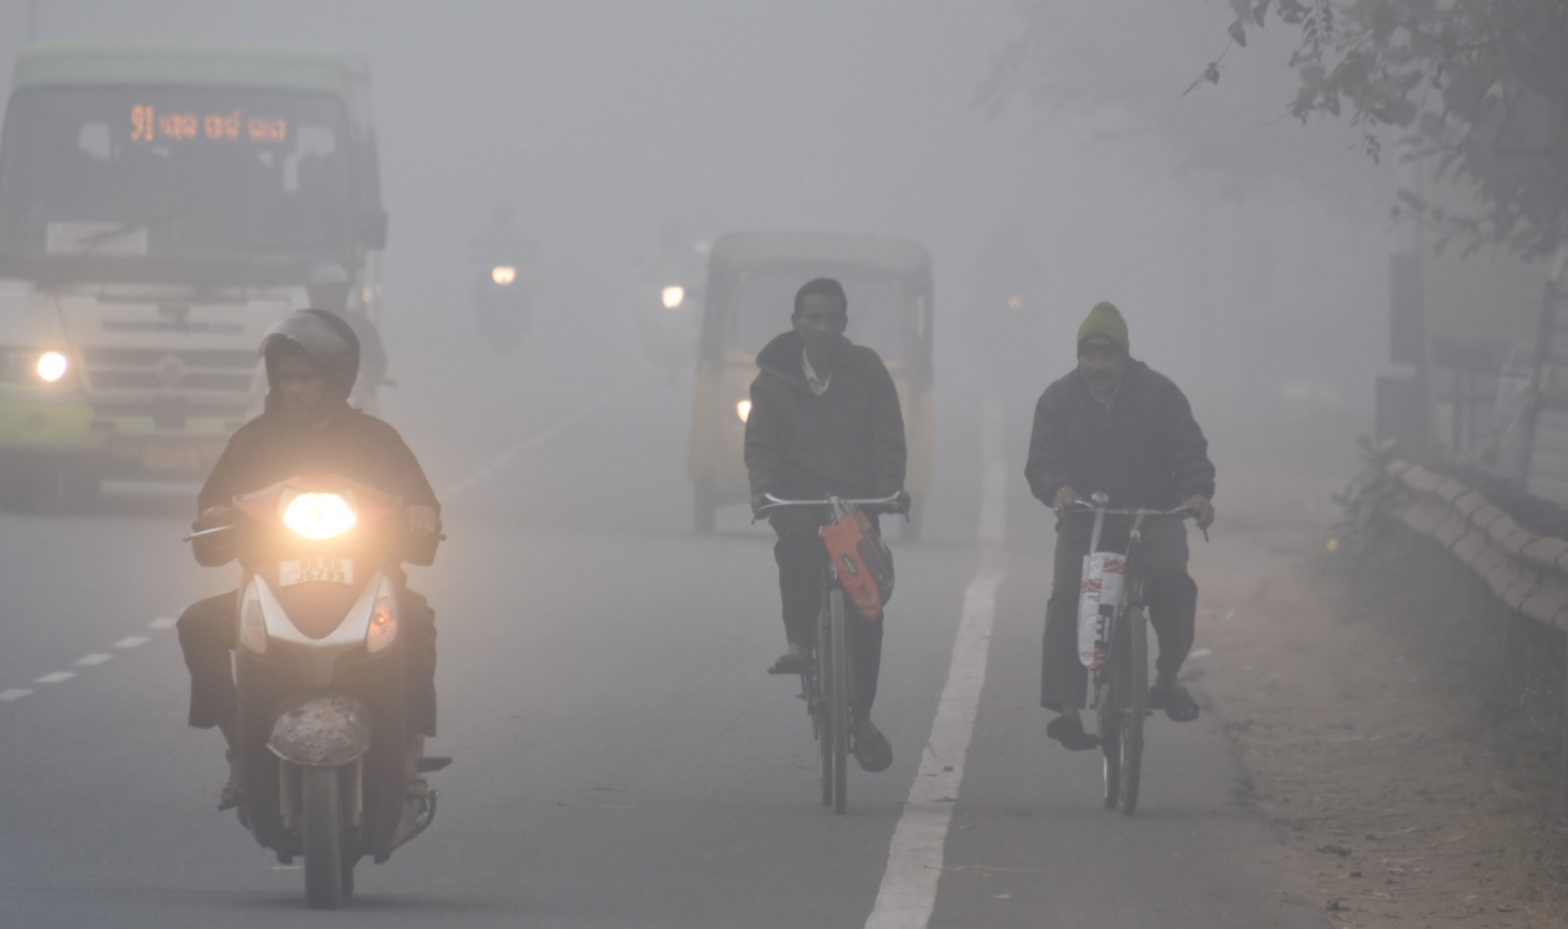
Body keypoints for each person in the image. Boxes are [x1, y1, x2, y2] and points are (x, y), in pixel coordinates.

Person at [176, 309, 441, 808]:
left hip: (368, 593)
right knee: (197, 624)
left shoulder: (377, 440)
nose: (294, 389)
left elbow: (422, 515)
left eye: (307, 378)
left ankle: (408, 751)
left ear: (336, 380)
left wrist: (421, 515)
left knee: (417, 620)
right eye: (286, 378)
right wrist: (213, 519)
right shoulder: (252, 441)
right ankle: (240, 747)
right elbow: (210, 528)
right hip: (270, 595)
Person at [1025, 301, 1217, 751]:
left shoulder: (1161, 395)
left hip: (1153, 515)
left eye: (1106, 355)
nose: (1096, 365)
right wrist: (1059, 490)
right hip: (1085, 518)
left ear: (1125, 356)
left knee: (1173, 580)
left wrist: (1197, 492)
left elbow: (1190, 450)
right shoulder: (1057, 399)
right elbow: (1042, 462)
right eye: (1088, 355)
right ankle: (1067, 708)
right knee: (1068, 594)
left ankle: (1166, 680)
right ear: (1078, 357)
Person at [744, 277, 909, 773]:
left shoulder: (868, 370)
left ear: (844, 322)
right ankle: (798, 641)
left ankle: (861, 717)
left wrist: (888, 488)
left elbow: (887, 438)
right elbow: (761, 445)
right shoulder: (772, 379)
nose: (822, 327)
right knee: (797, 542)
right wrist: (764, 488)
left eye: (831, 318)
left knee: (867, 610)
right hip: (797, 498)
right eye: (812, 318)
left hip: (856, 502)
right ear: (796, 322)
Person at [306, 262, 389, 409]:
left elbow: (377, 360)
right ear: (314, 294)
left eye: (337, 291)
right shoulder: (300, 324)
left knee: (370, 416)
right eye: (327, 292)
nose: (333, 297)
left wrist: (369, 381)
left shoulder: (361, 324)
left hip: (354, 396)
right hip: (307, 399)